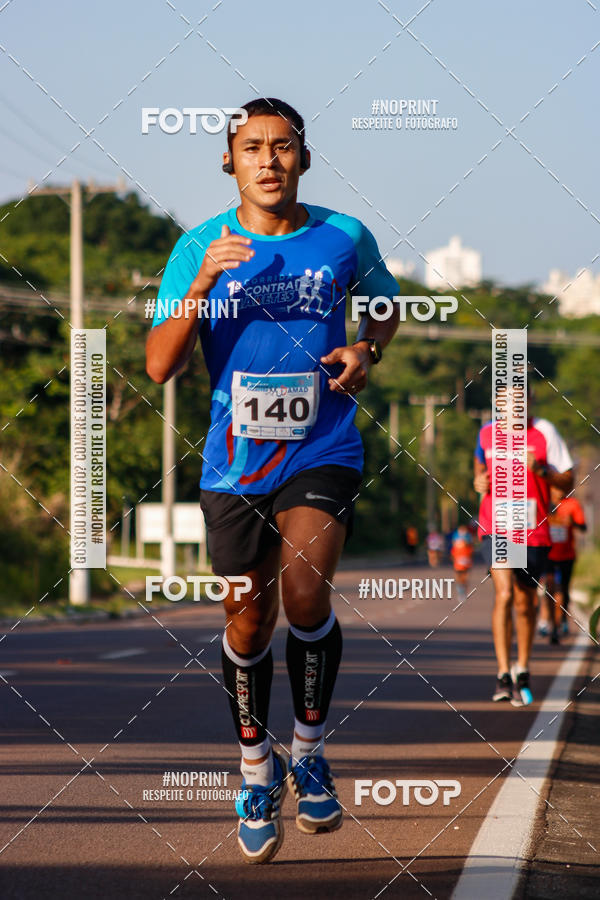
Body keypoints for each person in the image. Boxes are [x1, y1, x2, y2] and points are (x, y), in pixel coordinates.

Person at [145, 98, 400, 864]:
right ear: (230, 161)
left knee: (306, 592)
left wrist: (366, 350)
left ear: (304, 158)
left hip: (322, 446)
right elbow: (159, 365)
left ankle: (310, 752)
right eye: (252, 147)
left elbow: (384, 308)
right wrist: (201, 285)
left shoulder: (344, 236)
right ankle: (257, 769)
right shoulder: (198, 245)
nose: (268, 159)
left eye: (283, 146)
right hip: (234, 462)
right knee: (248, 621)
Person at [473, 388, 574, 706]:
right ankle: (503, 673)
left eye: (519, 400)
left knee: (524, 602)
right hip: (496, 527)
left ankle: (523, 668)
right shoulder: (486, 433)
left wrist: (541, 470)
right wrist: (479, 482)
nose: (512, 406)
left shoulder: (544, 432)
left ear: (529, 403)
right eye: (504, 401)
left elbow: (568, 481)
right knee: (504, 594)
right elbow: (479, 473)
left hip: (533, 531)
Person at [539, 486, 587, 642]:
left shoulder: (572, 504)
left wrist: (572, 522)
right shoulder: (543, 502)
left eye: (562, 487)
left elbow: (583, 527)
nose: (559, 490)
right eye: (555, 487)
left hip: (567, 555)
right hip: (548, 554)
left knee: (564, 590)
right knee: (550, 588)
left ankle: (563, 618)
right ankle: (552, 624)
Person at [450, 524, 474, 601]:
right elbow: (452, 555)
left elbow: (471, 554)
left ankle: (463, 592)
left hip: (466, 564)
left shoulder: (468, 547)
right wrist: (454, 561)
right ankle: (460, 591)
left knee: (464, 579)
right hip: (457, 565)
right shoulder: (455, 548)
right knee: (458, 578)